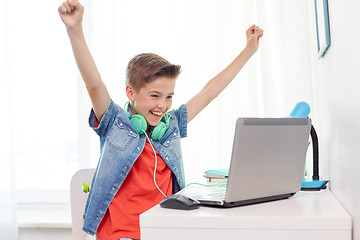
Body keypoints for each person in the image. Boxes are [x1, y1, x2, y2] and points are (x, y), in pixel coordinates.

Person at [58, 0, 263, 239]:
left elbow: (209, 91)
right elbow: (93, 84)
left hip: (164, 232)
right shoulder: (115, 123)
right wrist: (75, 29)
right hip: (121, 235)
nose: (162, 105)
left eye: (169, 97)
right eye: (154, 96)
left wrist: (249, 50)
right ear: (131, 92)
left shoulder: (170, 125)